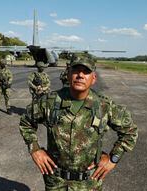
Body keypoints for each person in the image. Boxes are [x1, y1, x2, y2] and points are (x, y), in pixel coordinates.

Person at [19, 55, 138, 190]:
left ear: (93, 78)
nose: (80, 75)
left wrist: (113, 159)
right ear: (68, 74)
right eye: (76, 70)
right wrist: (34, 149)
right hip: (55, 181)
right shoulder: (49, 102)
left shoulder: (104, 106)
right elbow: (26, 122)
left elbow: (130, 131)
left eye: (86, 71)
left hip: (89, 183)